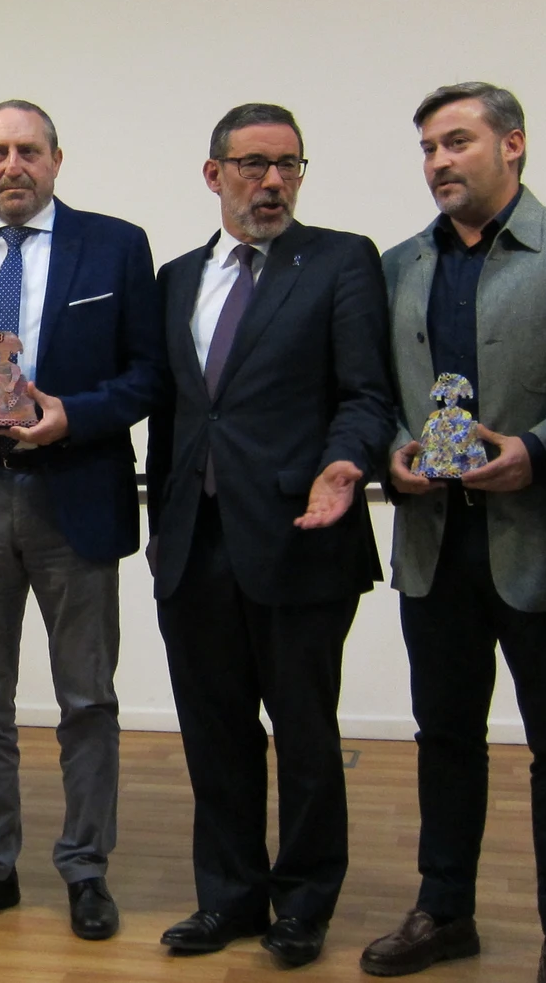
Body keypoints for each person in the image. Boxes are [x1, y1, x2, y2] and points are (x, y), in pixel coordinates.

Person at [0, 99, 162, 940]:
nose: (12, 166)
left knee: (86, 697)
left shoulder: (116, 244)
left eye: (28, 151)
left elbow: (147, 374)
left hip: (73, 491)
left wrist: (72, 416)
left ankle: (86, 867)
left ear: (57, 160)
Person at [146, 103, 392, 965]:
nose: (273, 181)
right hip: (194, 542)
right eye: (253, 164)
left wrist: (347, 465)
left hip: (299, 532)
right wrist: (159, 529)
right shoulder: (176, 277)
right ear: (214, 175)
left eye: (289, 164)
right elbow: (175, 415)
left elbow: (367, 392)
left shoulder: (338, 261)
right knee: (214, 733)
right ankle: (231, 896)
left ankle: (305, 901)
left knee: (306, 734)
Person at [366, 84, 546, 982]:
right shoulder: (399, 265)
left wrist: (539, 453)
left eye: (457, 142)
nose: (438, 162)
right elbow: (382, 392)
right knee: (445, 736)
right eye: (427, 147)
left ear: (515, 145)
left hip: (539, 537)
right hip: (435, 542)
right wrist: (394, 451)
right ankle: (443, 910)